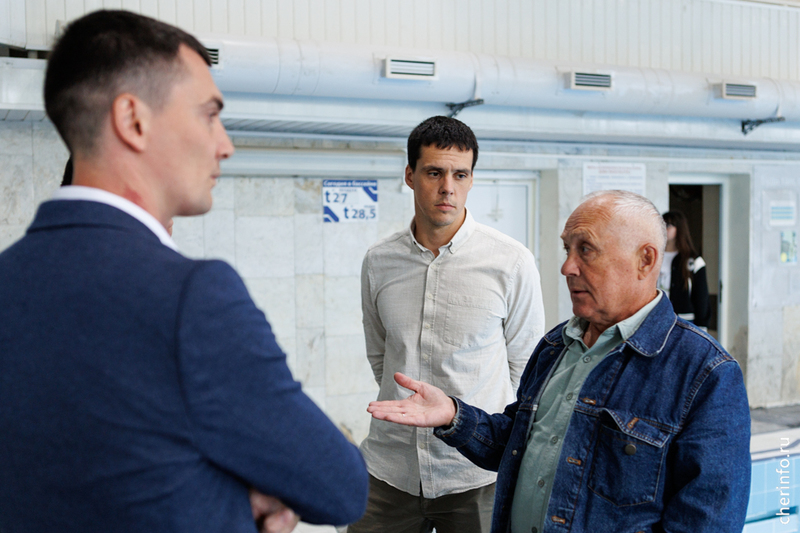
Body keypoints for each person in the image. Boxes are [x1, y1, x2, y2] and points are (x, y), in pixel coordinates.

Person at [0, 10, 367, 533]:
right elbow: (340, 487)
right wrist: (237, 500)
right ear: (133, 120)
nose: (225, 144)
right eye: (209, 115)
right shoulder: (191, 298)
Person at [367, 190, 751, 533]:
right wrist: (454, 415)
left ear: (645, 260)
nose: (567, 267)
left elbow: (707, 521)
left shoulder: (705, 374)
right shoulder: (556, 345)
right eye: (567, 249)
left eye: (586, 250)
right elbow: (516, 445)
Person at [351, 116, 545, 533]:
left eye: (460, 175)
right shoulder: (379, 260)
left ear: (472, 179)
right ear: (410, 176)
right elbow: (380, 354)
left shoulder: (511, 262)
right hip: (391, 467)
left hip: (473, 473)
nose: (447, 188)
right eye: (434, 173)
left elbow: (526, 368)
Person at [660, 210, 711, 328]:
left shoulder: (693, 261)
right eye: (661, 224)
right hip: (658, 318)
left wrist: (702, 326)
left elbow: (701, 297)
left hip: (683, 321)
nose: (664, 228)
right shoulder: (654, 256)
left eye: (668, 225)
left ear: (679, 229)